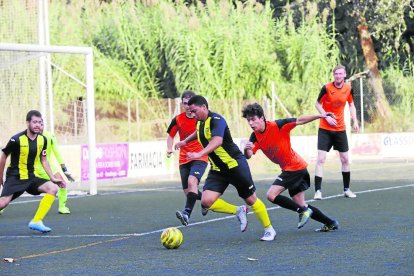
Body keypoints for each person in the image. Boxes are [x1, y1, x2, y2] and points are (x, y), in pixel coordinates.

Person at [175, 96, 276, 241]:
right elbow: (199, 133)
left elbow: (217, 140)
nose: (193, 115)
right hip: (218, 170)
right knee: (206, 201)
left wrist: (199, 153)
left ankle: (269, 229)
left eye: (195, 111)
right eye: (191, 112)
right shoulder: (200, 122)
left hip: (234, 165)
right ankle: (238, 210)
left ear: (204, 107)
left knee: (251, 199)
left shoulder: (217, 120)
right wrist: (185, 141)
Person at [242, 103, 339, 232]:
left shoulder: (279, 125)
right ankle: (330, 223)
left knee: (271, 195)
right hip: (293, 169)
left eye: (253, 119)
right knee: (301, 204)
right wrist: (246, 150)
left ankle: (302, 211)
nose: (251, 123)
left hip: (295, 168)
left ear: (261, 117)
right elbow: (249, 155)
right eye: (248, 120)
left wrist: (321, 115)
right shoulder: (254, 136)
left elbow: (300, 120)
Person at [0, 110, 66, 233]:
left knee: (52, 188)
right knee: (3, 203)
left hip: (30, 177)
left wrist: (52, 178)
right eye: (34, 122)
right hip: (15, 177)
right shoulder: (16, 139)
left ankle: (36, 221)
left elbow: (44, 160)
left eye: (40, 122)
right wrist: (0, 176)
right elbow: (3, 156)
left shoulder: (43, 140)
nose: (37, 125)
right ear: (27, 123)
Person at [314, 65, 360, 200]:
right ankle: (318, 191)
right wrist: (326, 116)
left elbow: (351, 104)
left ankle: (346, 189)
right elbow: (317, 104)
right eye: (336, 74)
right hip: (325, 129)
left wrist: (355, 121)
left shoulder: (348, 88)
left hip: (340, 129)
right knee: (321, 159)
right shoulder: (327, 88)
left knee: (345, 159)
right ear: (333, 75)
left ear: (345, 75)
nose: (338, 76)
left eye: (340, 74)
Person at [166, 91, 209, 226]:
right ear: (182, 104)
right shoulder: (178, 119)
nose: (188, 107)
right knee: (189, 191)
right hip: (184, 159)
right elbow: (170, 136)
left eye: (191, 104)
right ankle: (205, 201)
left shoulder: (201, 117)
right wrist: (169, 148)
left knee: (192, 182)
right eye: (185, 104)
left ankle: (186, 214)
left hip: (200, 156)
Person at [35, 122, 75, 214]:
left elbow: (57, 152)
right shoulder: (28, 137)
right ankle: (2, 206)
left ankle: (62, 207)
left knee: (62, 183)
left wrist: (64, 170)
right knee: (19, 187)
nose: (39, 127)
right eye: (37, 124)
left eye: (41, 124)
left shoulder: (50, 136)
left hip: (47, 166)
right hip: (32, 167)